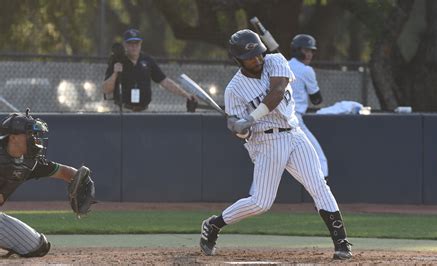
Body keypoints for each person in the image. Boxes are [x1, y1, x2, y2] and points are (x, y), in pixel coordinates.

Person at [199, 29, 352, 260]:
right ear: (238, 60)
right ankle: (214, 225)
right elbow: (244, 133)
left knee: (319, 185)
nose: (258, 60)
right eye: (251, 58)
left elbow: (278, 91)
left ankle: (342, 244)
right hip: (266, 142)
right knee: (261, 203)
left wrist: (250, 118)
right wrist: (239, 129)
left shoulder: (276, 60)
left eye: (259, 54)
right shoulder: (234, 90)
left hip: (295, 133)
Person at [0, 109, 95, 258]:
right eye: (30, 134)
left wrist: (81, 178)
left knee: (37, 247)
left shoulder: (30, 162)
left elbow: (65, 172)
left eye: (36, 134)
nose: (35, 139)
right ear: (13, 138)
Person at [102, 28, 197, 112]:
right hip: (123, 111)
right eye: (130, 43)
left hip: (144, 111)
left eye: (137, 43)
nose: (134, 46)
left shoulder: (147, 61)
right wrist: (115, 73)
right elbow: (106, 89)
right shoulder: (117, 60)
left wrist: (186, 94)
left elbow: (164, 81)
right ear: (125, 44)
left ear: (141, 44)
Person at [288, 34, 329, 179]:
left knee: (271, 162)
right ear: (297, 50)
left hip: (277, 118)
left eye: (311, 51)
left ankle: (254, 195)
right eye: (306, 50)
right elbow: (317, 99)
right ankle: (324, 195)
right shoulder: (306, 70)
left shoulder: (283, 66)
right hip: (295, 120)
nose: (310, 54)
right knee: (319, 157)